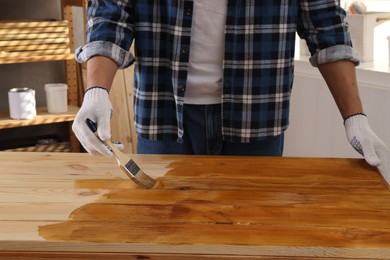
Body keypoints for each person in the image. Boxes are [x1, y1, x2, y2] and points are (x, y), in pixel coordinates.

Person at [72, 1, 388, 172]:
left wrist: (354, 115)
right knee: (164, 234)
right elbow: (111, 13)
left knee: (251, 234)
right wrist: (96, 90)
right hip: (164, 116)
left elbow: (325, 22)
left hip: (257, 118)